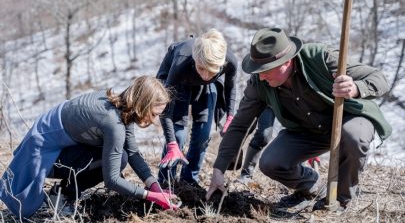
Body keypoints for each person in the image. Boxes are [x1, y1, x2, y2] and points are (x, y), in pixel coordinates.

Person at [206, 28, 391, 210]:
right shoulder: (259, 83)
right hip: (307, 132)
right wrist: (218, 170)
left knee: (353, 136)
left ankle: (342, 199)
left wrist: (356, 88)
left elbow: (380, 78)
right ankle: (314, 187)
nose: (261, 76)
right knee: (271, 162)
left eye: (265, 70)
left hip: (348, 118)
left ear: (285, 62)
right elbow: (240, 125)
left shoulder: (322, 57)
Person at [0, 76, 179, 219]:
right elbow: (112, 180)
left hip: (59, 144)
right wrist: (150, 196)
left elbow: (133, 151)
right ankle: (62, 196)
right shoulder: (113, 122)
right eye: (154, 114)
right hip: (41, 155)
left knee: (122, 155)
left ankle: (62, 193)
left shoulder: (122, 104)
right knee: (118, 159)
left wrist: (155, 187)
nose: (155, 120)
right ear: (142, 105)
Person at [156, 29, 238, 185]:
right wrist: (172, 144)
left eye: (212, 71)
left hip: (207, 88)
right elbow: (165, 111)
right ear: (195, 60)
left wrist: (230, 116)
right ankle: (165, 182)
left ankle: (189, 181)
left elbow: (230, 87)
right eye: (202, 68)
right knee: (178, 135)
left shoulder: (229, 60)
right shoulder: (182, 61)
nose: (206, 75)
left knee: (203, 135)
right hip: (180, 82)